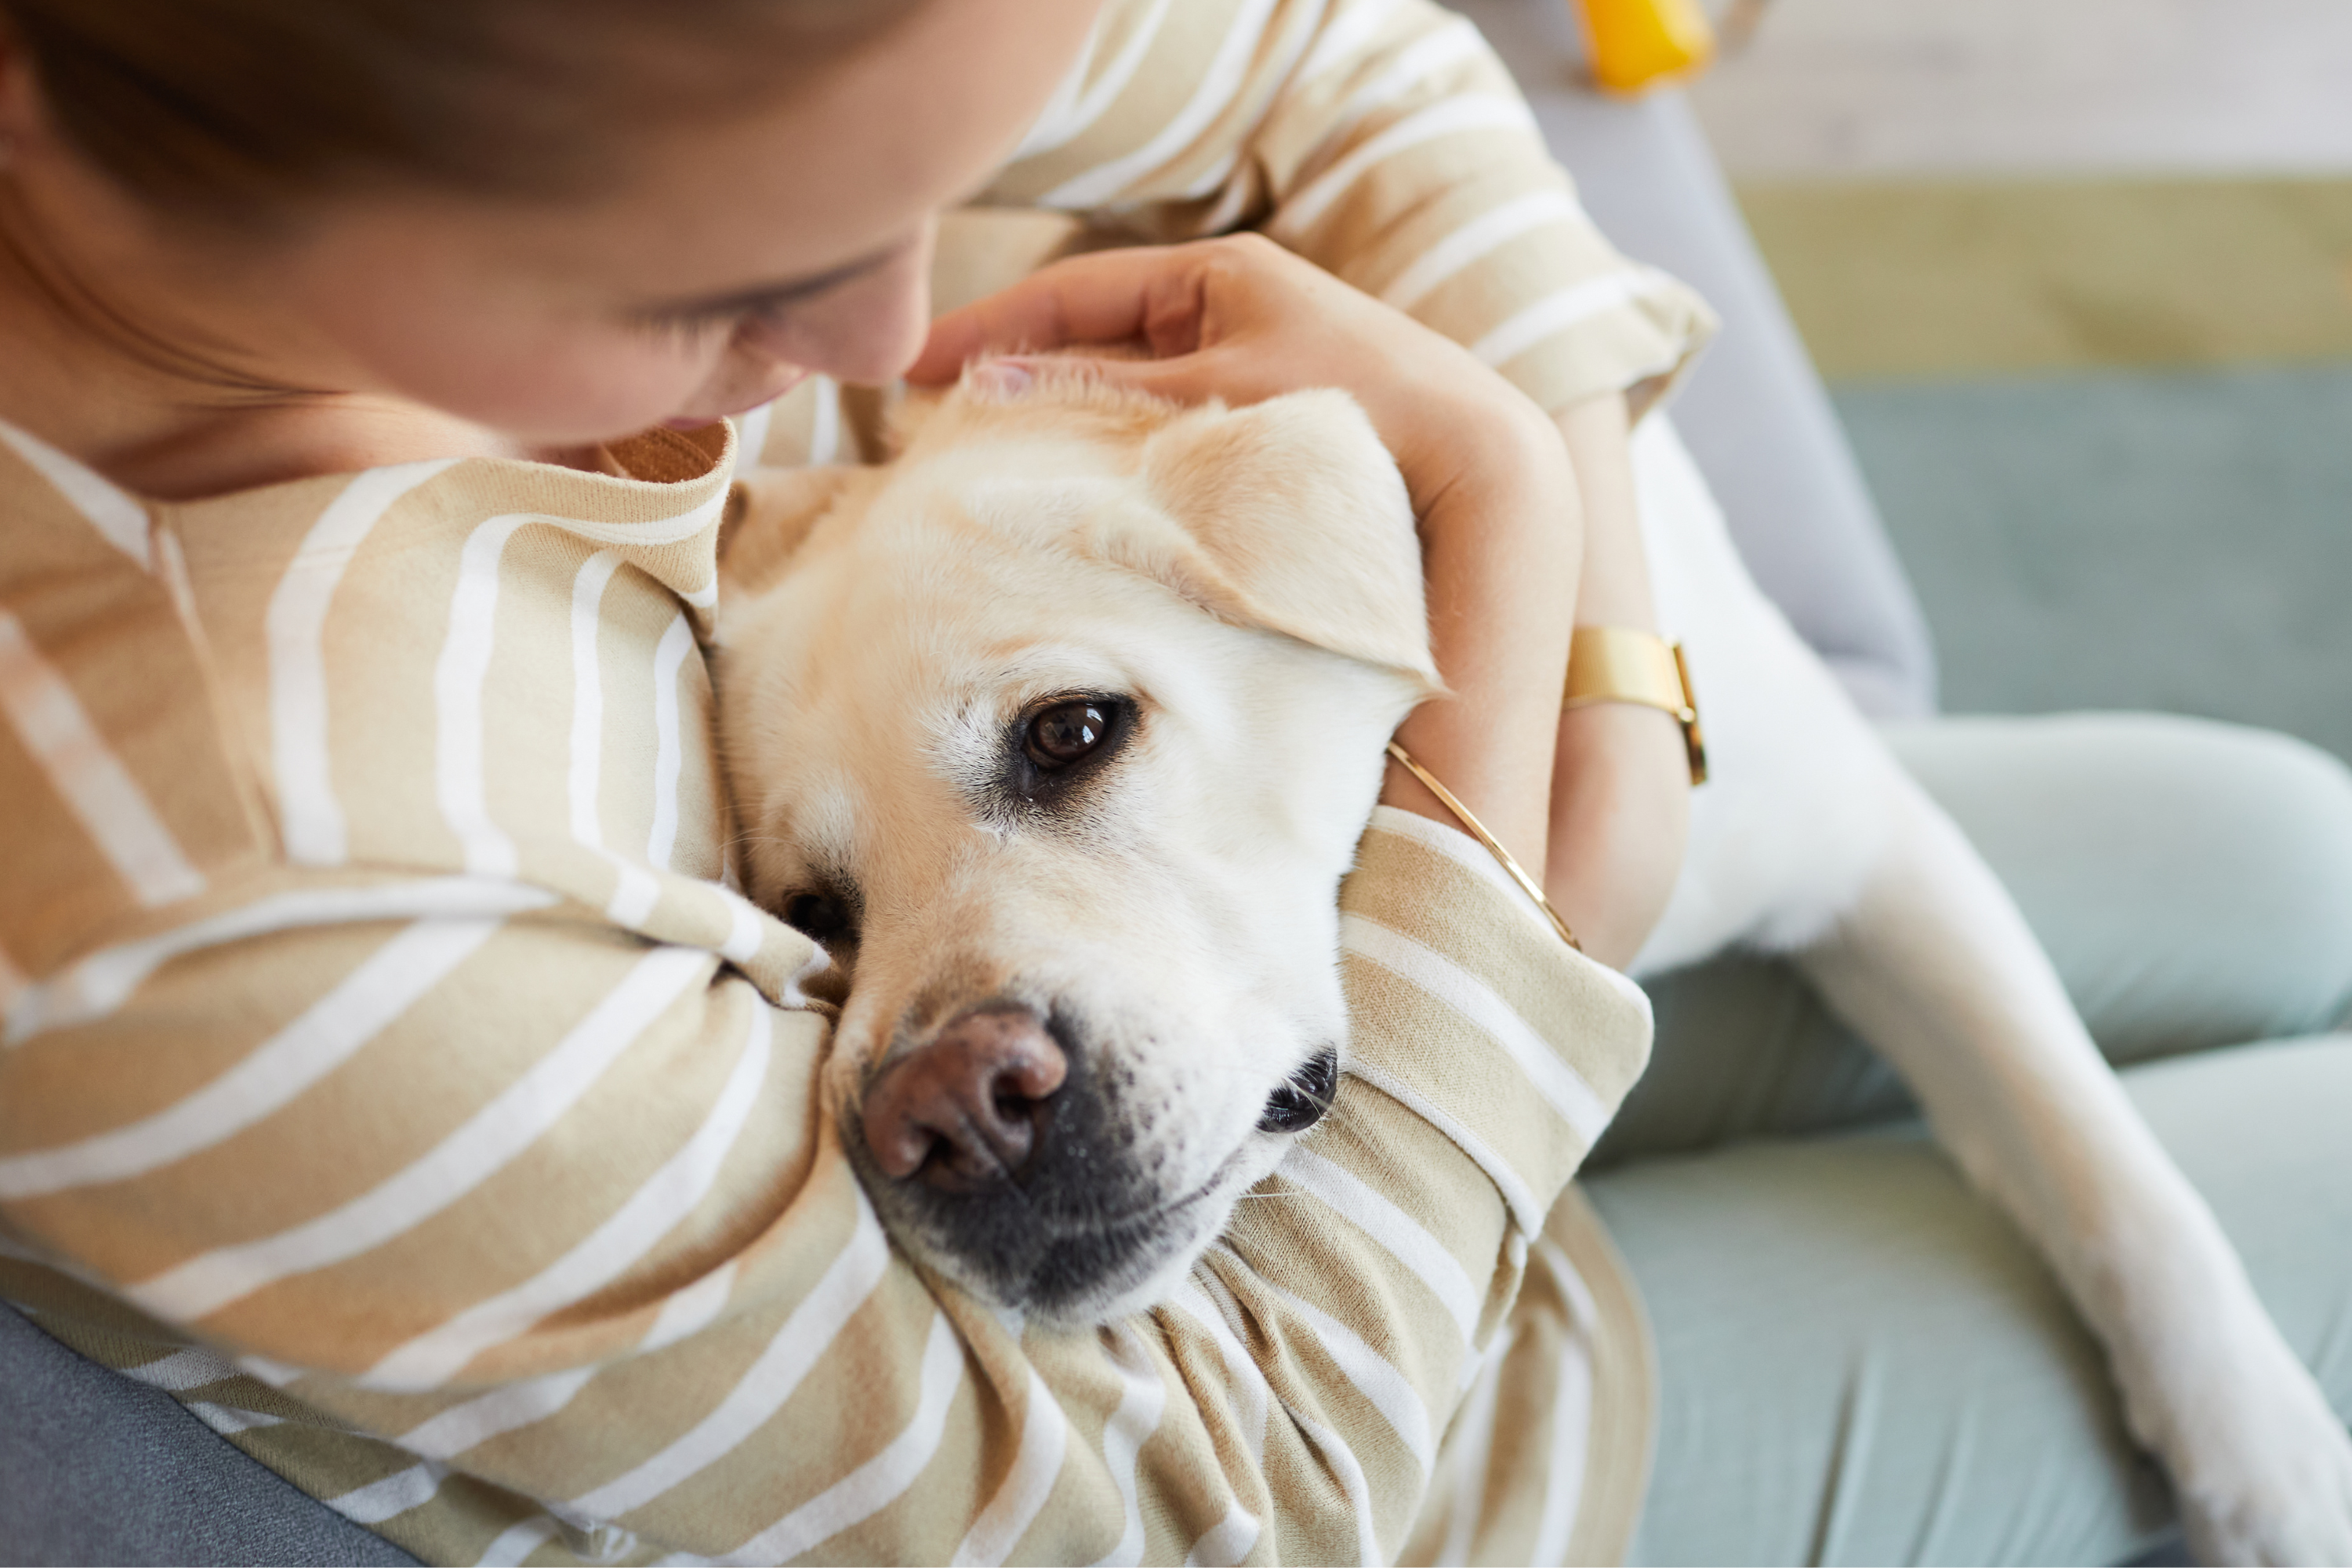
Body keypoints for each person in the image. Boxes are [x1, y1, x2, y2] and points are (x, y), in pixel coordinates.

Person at [0, 1, 1700, 1563]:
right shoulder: (247, 874)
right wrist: (1516, 567)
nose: (896, 339)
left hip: (1368, 1069)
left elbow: (1341, 61)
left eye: (940, 176)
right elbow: (1230, 1501)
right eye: (707, 259)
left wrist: (1601, 653)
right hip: (1428, 1429)